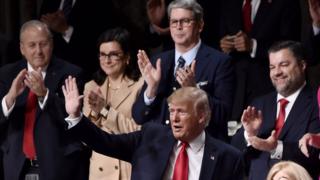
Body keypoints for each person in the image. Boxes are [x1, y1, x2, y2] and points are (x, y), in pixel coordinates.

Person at [63, 80, 245, 180]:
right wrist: (77, 117)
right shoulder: (151, 136)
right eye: (172, 111)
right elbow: (106, 142)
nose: (173, 118)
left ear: (201, 116)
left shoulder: (228, 157)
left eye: (181, 112)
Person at [132, 0, 234, 141]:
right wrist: (151, 89)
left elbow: (223, 115)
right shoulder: (159, 61)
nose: (178, 27)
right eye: (174, 22)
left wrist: (195, 91)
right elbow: (138, 116)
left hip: (201, 149)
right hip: (162, 151)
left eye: (185, 21)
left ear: (200, 25)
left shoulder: (219, 62)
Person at [0, 20, 89, 180]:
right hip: (17, 166)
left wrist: (45, 95)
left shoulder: (71, 73)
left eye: (43, 44)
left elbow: (73, 120)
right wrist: (10, 98)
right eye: (32, 45)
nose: (38, 51)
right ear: (22, 48)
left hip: (58, 166)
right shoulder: (7, 74)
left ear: (52, 44)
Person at [231, 41, 320, 179]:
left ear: (302, 65)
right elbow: (234, 150)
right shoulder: (259, 103)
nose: (277, 72)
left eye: (284, 65)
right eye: (272, 67)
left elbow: (313, 152)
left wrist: (275, 147)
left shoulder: (316, 101)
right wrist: (248, 134)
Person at [219, 0, 301, 122]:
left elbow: (291, 46)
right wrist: (223, 46)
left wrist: (253, 45)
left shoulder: (285, 3)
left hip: (268, 87)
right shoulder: (229, 3)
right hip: (235, 90)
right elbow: (216, 38)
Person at [83, 28, 143, 180]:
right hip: (101, 172)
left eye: (113, 55)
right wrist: (94, 113)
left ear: (127, 57)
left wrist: (104, 111)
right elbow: (86, 139)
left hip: (129, 168)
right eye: (102, 55)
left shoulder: (140, 85)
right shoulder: (91, 87)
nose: (107, 60)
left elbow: (138, 132)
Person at [39, 0, 114, 80]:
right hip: (49, 74)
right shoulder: (49, 2)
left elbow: (99, 44)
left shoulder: (101, 4)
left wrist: (65, 29)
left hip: (83, 75)